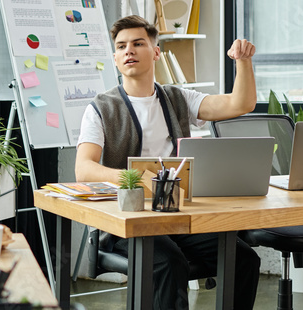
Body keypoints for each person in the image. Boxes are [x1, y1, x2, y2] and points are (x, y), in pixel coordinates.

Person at [74, 15, 261, 310]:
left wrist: (243, 61)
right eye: (121, 46)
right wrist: (135, 179)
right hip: (127, 220)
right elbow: (84, 168)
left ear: (156, 51)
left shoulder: (176, 98)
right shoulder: (100, 108)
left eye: (138, 43)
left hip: (175, 215)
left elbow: (240, 104)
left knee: (244, 259)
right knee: (169, 263)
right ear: (114, 57)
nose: (129, 51)